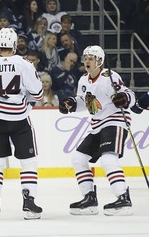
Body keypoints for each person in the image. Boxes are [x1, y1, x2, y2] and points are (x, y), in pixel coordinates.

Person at [0, 28, 44, 220]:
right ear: (14, 44)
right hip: (19, 119)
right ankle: (29, 202)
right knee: (28, 162)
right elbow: (38, 94)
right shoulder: (24, 64)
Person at [58, 45, 135, 216]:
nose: (87, 61)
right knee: (78, 159)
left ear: (99, 61)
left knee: (108, 159)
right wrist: (70, 103)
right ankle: (89, 199)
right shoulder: (84, 80)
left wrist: (125, 99)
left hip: (115, 121)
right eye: (85, 58)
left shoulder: (110, 77)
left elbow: (129, 94)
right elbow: (83, 102)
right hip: (97, 124)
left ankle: (123, 197)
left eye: (91, 58)